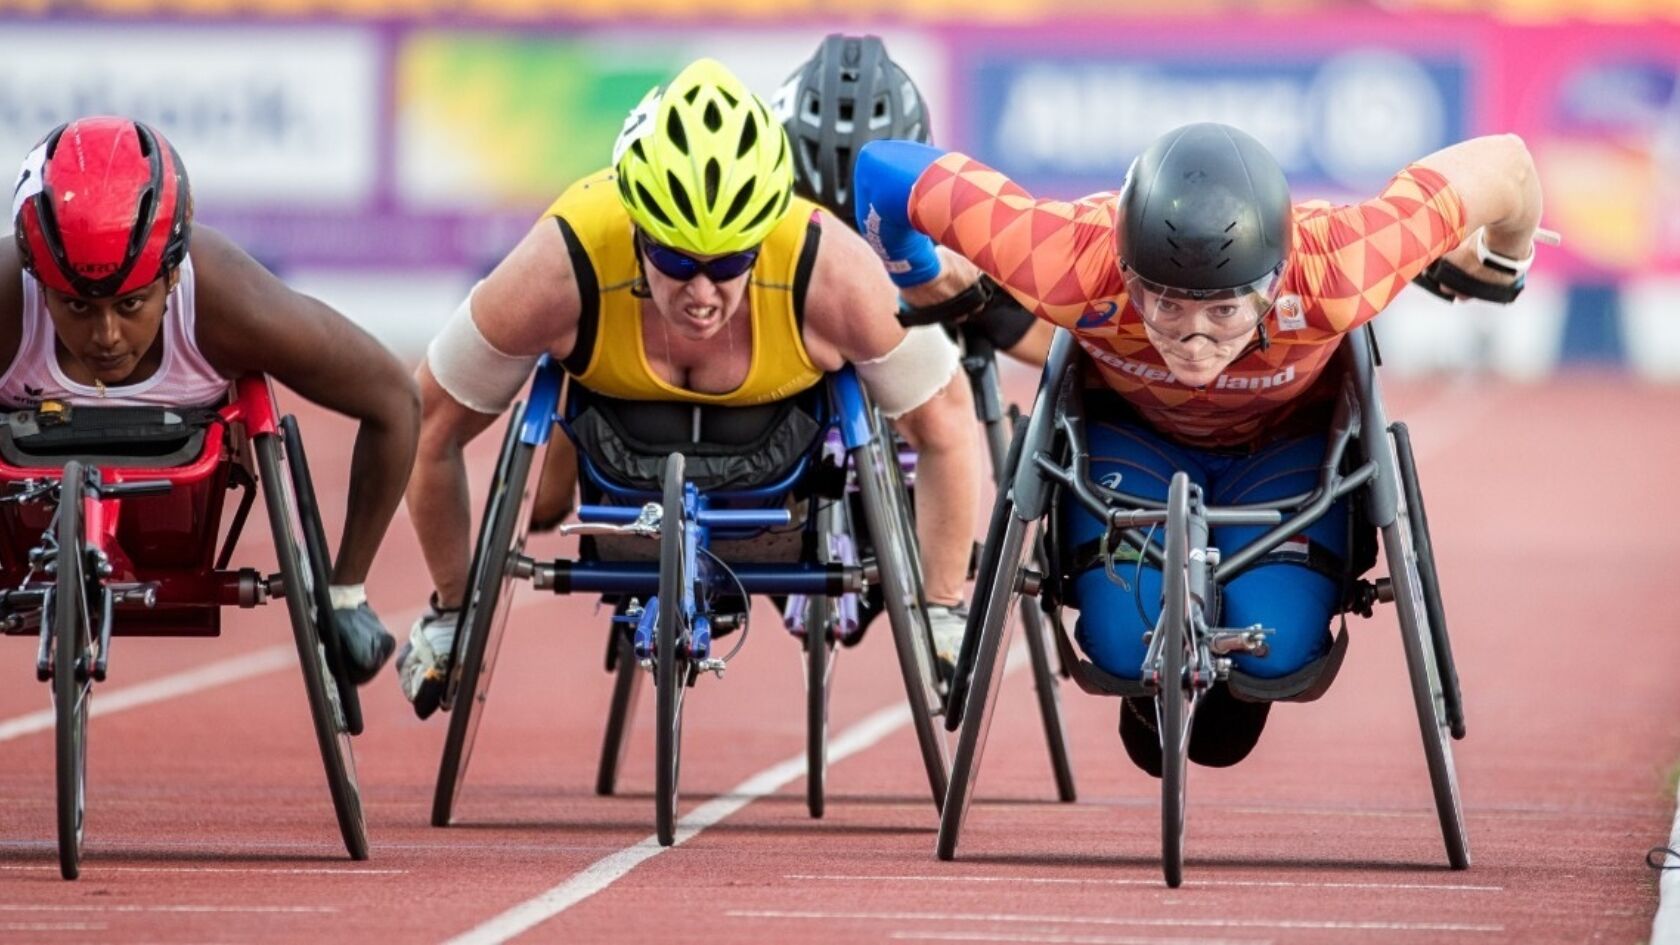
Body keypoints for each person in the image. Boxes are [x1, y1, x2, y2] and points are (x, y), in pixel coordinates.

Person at [853, 120, 1543, 774]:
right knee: (1125, 649)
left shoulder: (1343, 265)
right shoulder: (1066, 256)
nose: (1194, 338)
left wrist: (1503, 258)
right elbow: (881, 168)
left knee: (1274, 655)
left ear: (1273, 287)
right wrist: (922, 277)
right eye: (1167, 305)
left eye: (1223, 311)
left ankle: (1234, 665)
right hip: (1131, 439)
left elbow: (1509, 164)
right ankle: (1148, 674)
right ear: (1126, 273)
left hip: (1289, 451)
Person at [397, 58, 982, 716]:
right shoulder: (566, 259)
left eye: (729, 262)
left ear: (763, 238)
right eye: (677, 260)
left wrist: (940, 608)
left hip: (780, 472)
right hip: (617, 461)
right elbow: (429, 423)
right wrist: (454, 604)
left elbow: (949, 420)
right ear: (638, 228)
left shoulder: (826, 264)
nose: (703, 294)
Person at [3, 116, 419, 685]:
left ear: (172, 275)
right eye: (77, 306)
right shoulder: (7, 304)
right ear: (36, 280)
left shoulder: (226, 302)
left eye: (130, 305)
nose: (106, 336)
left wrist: (344, 592)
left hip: (185, 517)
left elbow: (394, 400)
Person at [775, 32, 1052, 367]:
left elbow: (1052, 346)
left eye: (860, 234)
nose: (844, 257)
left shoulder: (946, 245)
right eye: (822, 231)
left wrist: (981, 296)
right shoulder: (744, 258)